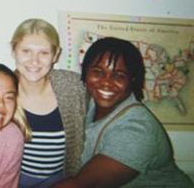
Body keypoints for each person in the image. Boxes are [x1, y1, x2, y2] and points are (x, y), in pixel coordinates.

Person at [53, 37, 193, 188]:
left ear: (132, 79)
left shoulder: (137, 131)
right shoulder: (89, 104)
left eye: (119, 75)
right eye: (98, 72)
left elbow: (80, 185)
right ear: (85, 72)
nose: (106, 82)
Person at [11, 19, 86, 187]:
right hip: (14, 181)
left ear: (56, 54)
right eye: (26, 51)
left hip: (61, 181)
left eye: (44, 53)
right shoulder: (2, 91)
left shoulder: (73, 87)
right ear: (13, 50)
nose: (34, 61)